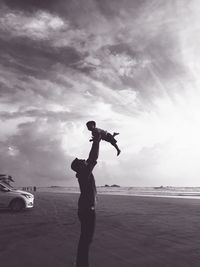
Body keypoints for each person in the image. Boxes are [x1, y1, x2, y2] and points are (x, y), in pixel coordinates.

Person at [71, 134, 101, 267]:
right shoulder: (84, 173)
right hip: (87, 210)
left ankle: (80, 263)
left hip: (84, 209)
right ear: (80, 166)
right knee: (86, 239)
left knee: (85, 238)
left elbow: (90, 159)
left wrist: (96, 141)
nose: (84, 160)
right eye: (81, 160)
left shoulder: (83, 173)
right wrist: (96, 141)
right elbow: (93, 157)